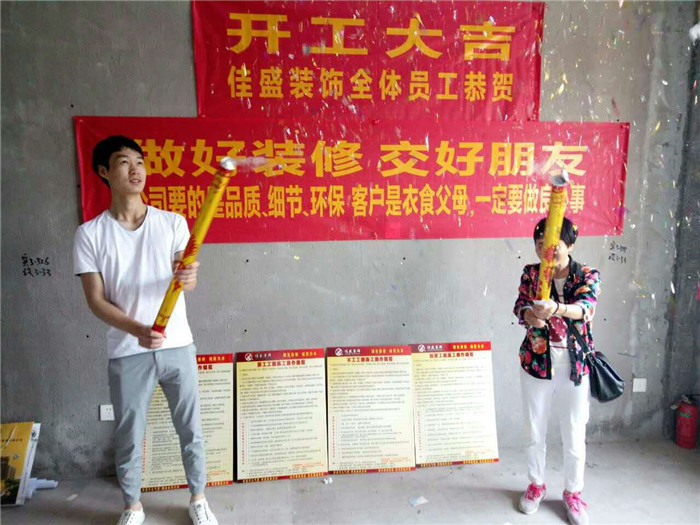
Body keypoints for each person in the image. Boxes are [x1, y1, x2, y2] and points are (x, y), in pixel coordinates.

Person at [73, 136, 218, 525]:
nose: (136, 169)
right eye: (124, 162)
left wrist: (187, 276)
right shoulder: (90, 234)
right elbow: (96, 300)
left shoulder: (172, 223)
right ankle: (132, 506)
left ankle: (198, 498)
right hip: (127, 350)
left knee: (190, 429)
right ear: (104, 172)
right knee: (129, 436)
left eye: (139, 161)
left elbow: (185, 277)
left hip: (178, 344)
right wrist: (137, 329)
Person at [512, 217, 601, 525]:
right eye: (540, 245)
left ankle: (573, 493)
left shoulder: (586, 275)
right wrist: (530, 316)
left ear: (570, 245)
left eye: (553, 246)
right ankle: (536, 484)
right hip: (536, 364)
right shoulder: (532, 273)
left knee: (574, 434)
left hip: (575, 368)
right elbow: (520, 305)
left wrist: (557, 309)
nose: (545, 252)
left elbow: (586, 309)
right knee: (534, 430)